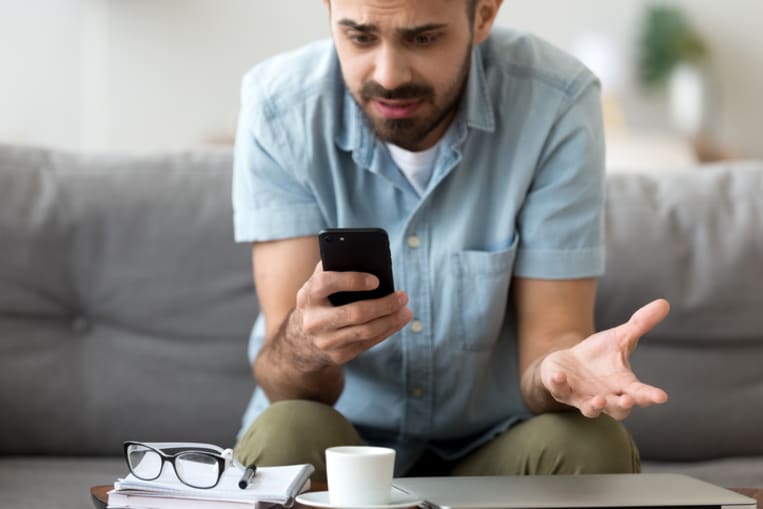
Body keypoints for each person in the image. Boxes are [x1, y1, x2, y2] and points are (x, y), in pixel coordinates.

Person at [231, 0, 670, 482]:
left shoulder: (556, 101)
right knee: (285, 432)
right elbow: (281, 379)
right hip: (343, 446)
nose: (389, 75)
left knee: (591, 442)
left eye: (422, 38)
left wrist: (559, 371)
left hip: (497, 443)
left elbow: (552, 338)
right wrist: (305, 344)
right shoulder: (279, 109)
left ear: (483, 15)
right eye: (359, 37)